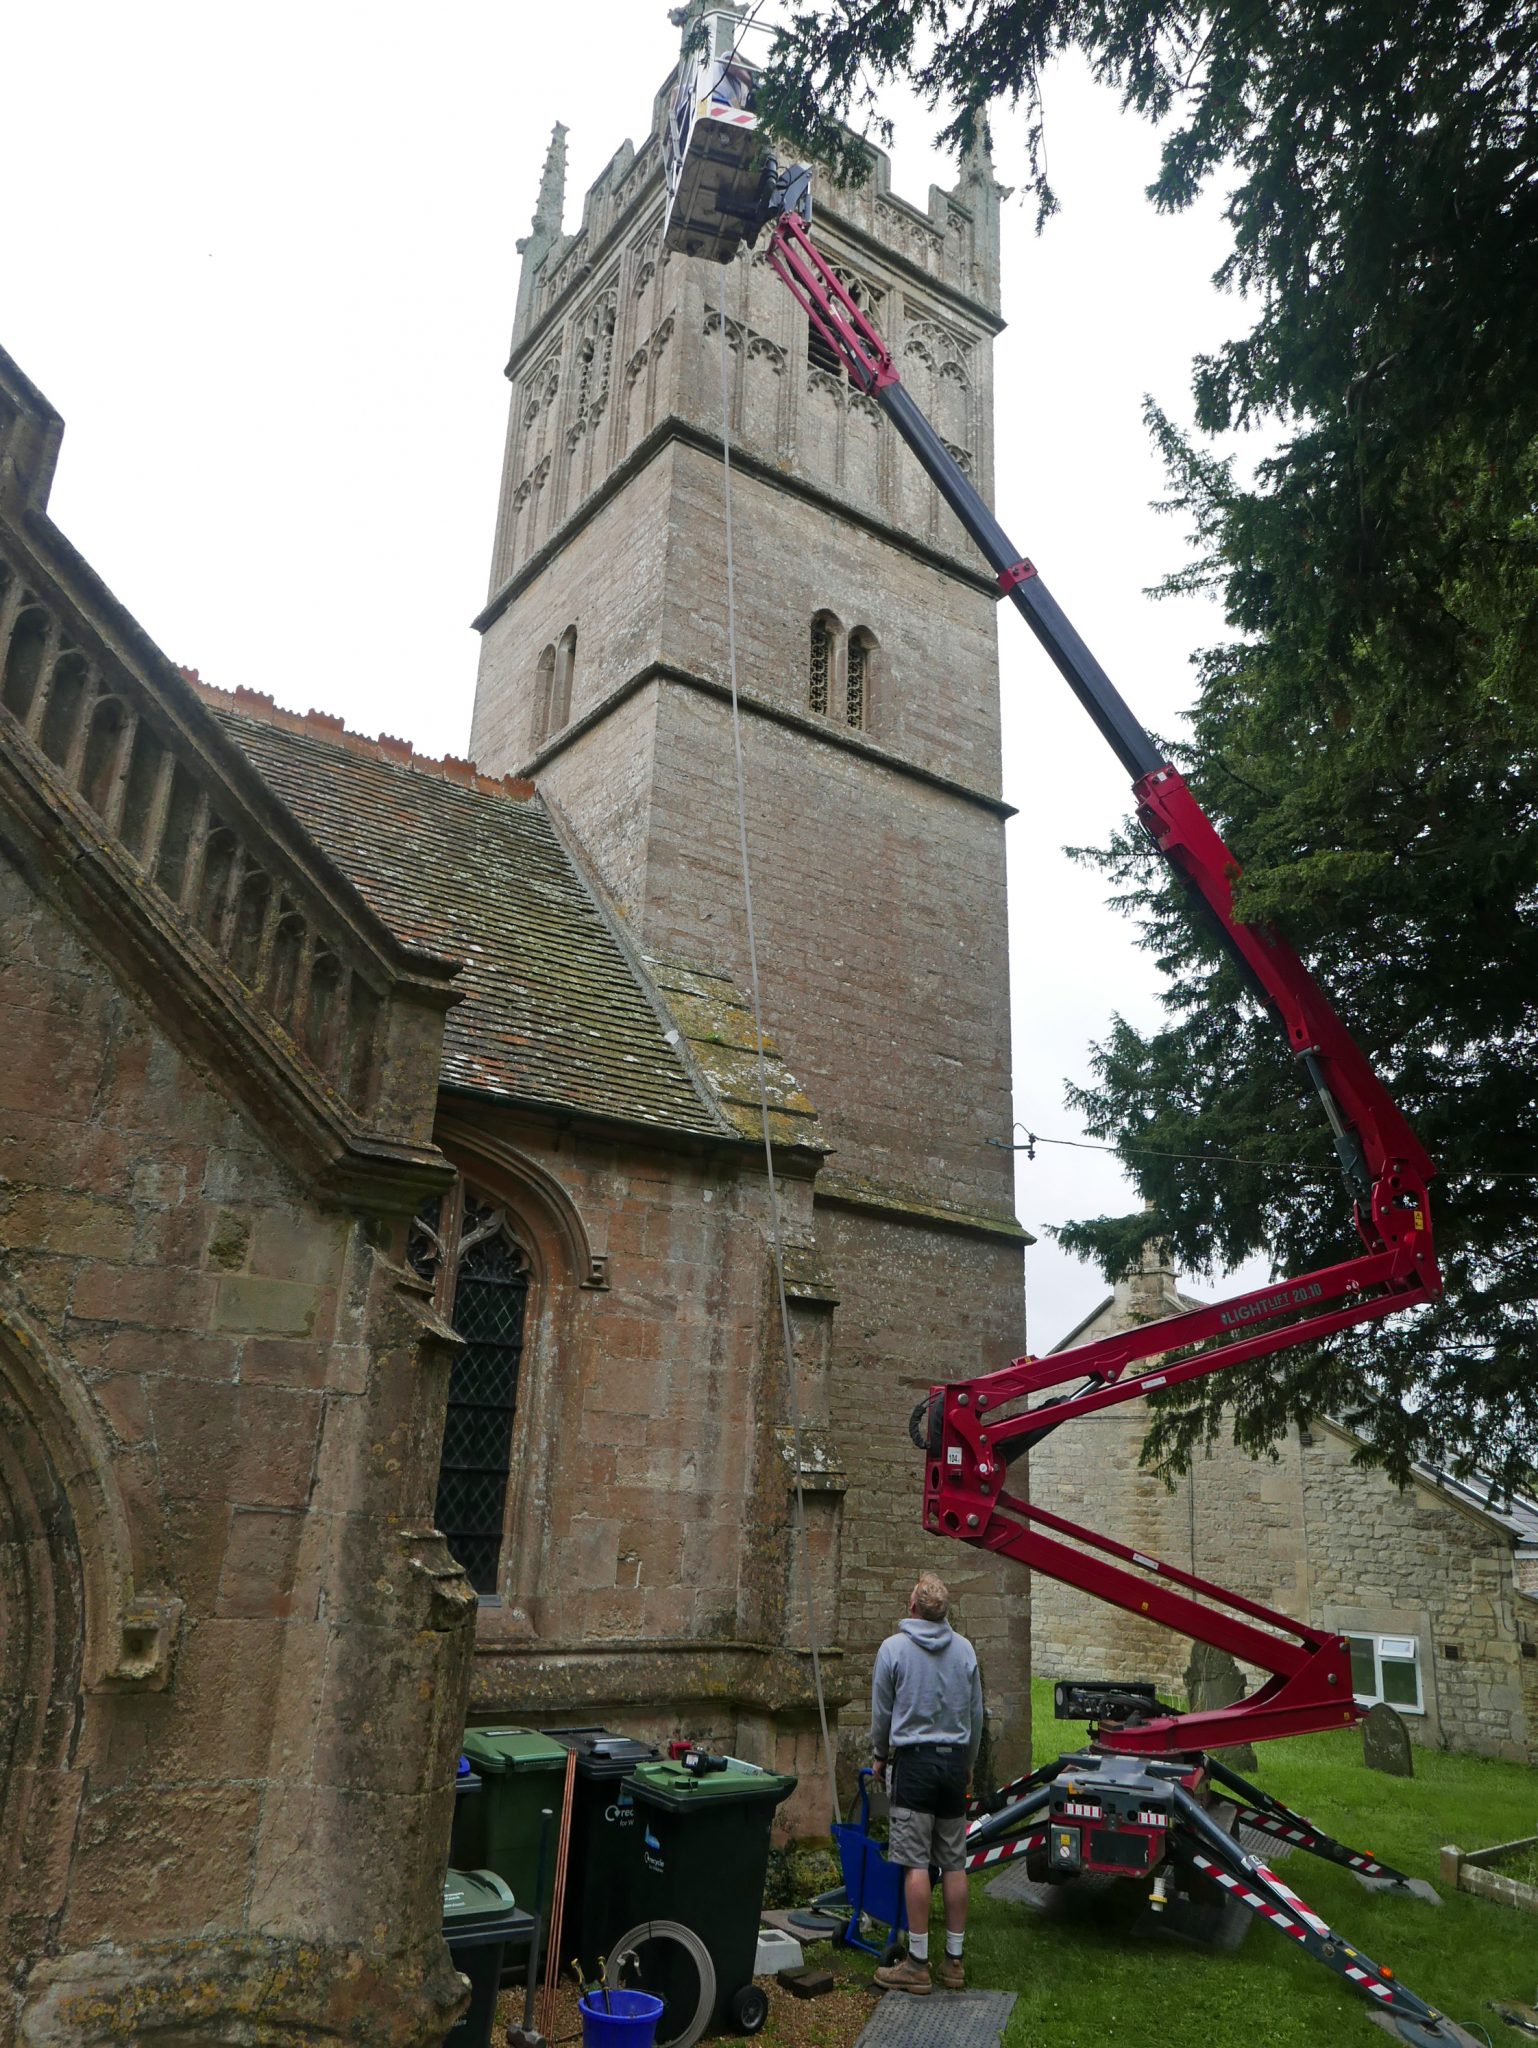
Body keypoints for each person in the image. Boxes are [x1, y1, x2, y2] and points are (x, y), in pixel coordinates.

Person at [869, 1571, 984, 1994]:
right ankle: (954, 1962)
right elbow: (975, 1717)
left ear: (913, 1606)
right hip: (954, 1766)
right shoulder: (966, 1650)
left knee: (916, 1863)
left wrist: (880, 1755)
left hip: (914, 1767)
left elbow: (882, 1712)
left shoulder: (893, 1649)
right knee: (954, 1862)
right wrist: (968, 1763)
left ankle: (917, 1962)